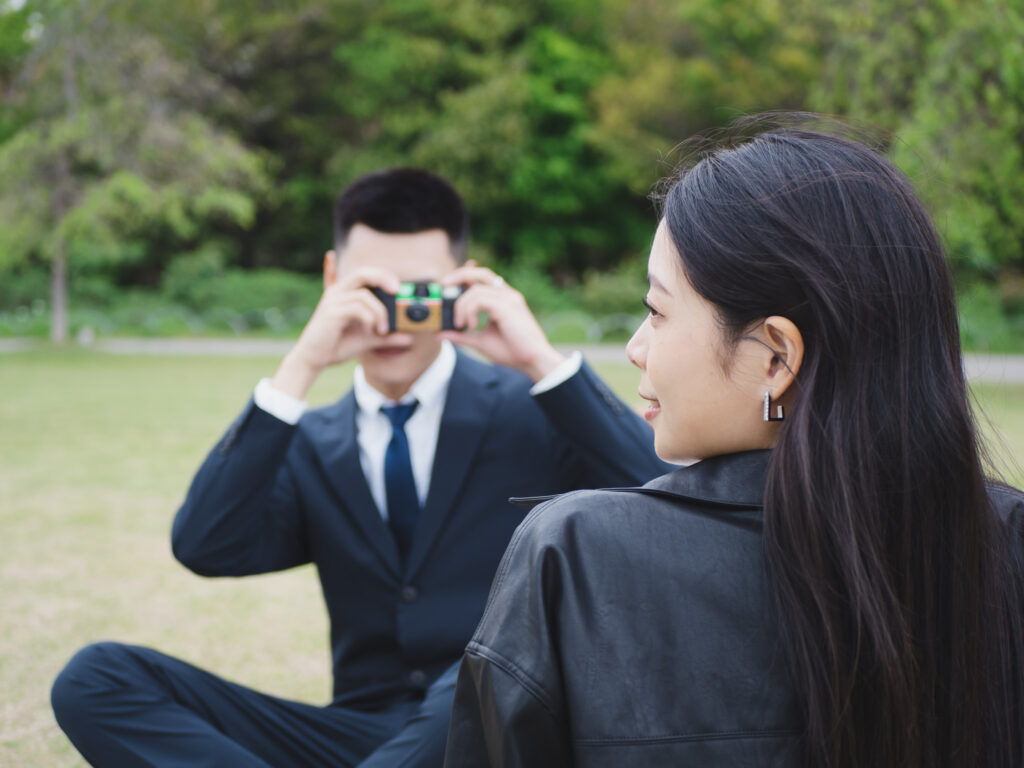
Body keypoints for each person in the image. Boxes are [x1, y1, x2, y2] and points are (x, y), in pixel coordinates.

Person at [444, 125, 1024, 767]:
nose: (635, 345)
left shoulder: (577, 554)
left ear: (776, 357)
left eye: (657, 312)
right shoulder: (1004, 542)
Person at [50, 168, 669, 767]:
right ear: (332, 278)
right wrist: (301, 365)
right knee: (95, 679)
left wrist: (539, 360)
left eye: (419, 291)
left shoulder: (533, 410)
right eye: (374, 290)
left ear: (462, 285)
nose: (396, 316)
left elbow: (662, 497)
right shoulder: (311, 441)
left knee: (481, 671)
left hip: (491, 725)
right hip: (358, 734)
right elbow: (206, 545)